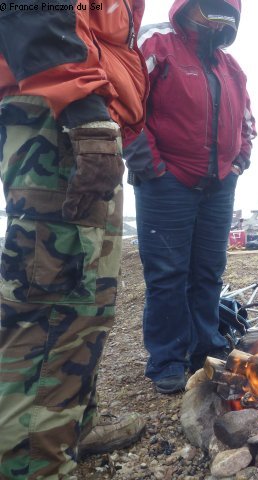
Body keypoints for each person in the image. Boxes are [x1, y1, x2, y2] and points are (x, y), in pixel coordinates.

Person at [0, 1, 149, 477]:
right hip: (57, 113)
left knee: (88, 302)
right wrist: (84, 110)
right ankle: (31, 463)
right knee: (51, 306)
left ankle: (67, 432)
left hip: (77, 109)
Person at [124, 0, 256, 394]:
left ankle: (207, 351)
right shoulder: (156, 42)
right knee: (167, 274)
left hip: (218, 185)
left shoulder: (230, 67)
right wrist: (150, 164)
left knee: (208, 271)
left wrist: (239, 160)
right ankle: (167, 360)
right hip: (166, 182)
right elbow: (129, 105)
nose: (218, 15)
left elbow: (248, 120)